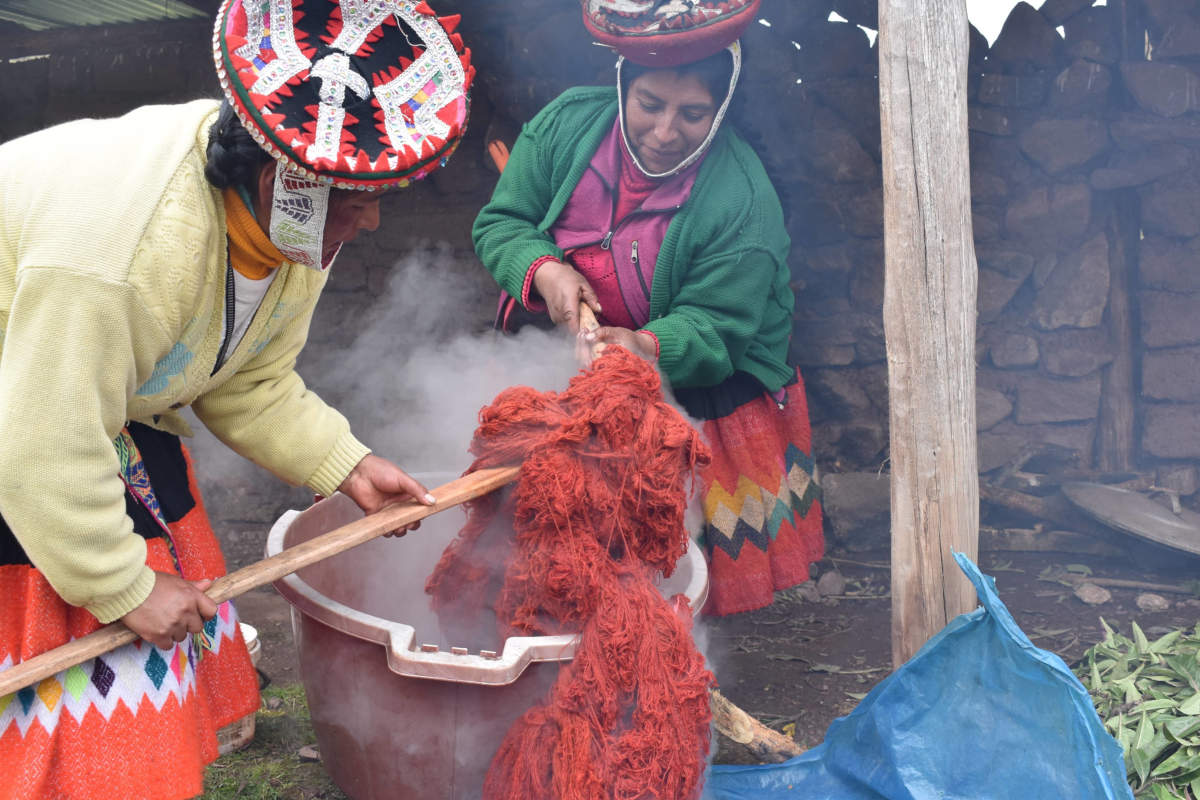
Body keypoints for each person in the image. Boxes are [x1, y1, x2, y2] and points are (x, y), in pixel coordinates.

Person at [0, 1, 473, 797]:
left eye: (380, 192)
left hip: (72, 402)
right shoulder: (118, 250)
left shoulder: (293, 230)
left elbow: (245, 379)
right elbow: (38, 438)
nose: (372, 216)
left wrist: (344, 464)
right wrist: (124, 586)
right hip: (27, 415)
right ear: (278, 178)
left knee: (143, 620)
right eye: (355, 196)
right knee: (82, 690)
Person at [474, 0, 822, 616]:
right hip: (572, 344)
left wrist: (642, 347)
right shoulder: (564, 127)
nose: (664, 133)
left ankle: (665, 635)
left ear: (722, 108)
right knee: (548, 518)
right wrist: (544, 268)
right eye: (649, 105)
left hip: (698, 374)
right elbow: (504, 222)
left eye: (693, 114)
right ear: (622, 86)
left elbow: (717, 329)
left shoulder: (742, 199)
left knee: (666, 563)